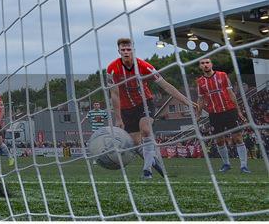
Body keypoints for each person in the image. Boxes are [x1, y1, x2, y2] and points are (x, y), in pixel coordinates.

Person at [107, 38, 197, 179]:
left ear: (133, 50)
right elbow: (114, 94)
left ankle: (147, 170)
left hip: (144, 102)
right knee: (135, 143)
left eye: (128, 49)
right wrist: (118, 118)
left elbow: (166, 86)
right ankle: (151, 159)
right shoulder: (112, 69)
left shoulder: (144, 66)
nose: (126, 52)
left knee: (146, 130)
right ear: (118, 51)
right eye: (123, 50)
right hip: (126, 109)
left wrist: (186, 100)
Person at [196, 57, 250, 173]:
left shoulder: (222, 75)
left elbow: (231, 93)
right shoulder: (200, 81)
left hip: (229, 111)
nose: (205, 65)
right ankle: (226, 164)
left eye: (207, 62)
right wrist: (198, 114)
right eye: (202, 63)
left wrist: (239, 111)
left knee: (238, 138)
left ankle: (244, 166)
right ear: (200, 66)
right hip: (214, 114)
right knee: (219, 140)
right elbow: (200, 99)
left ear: (211, 64)